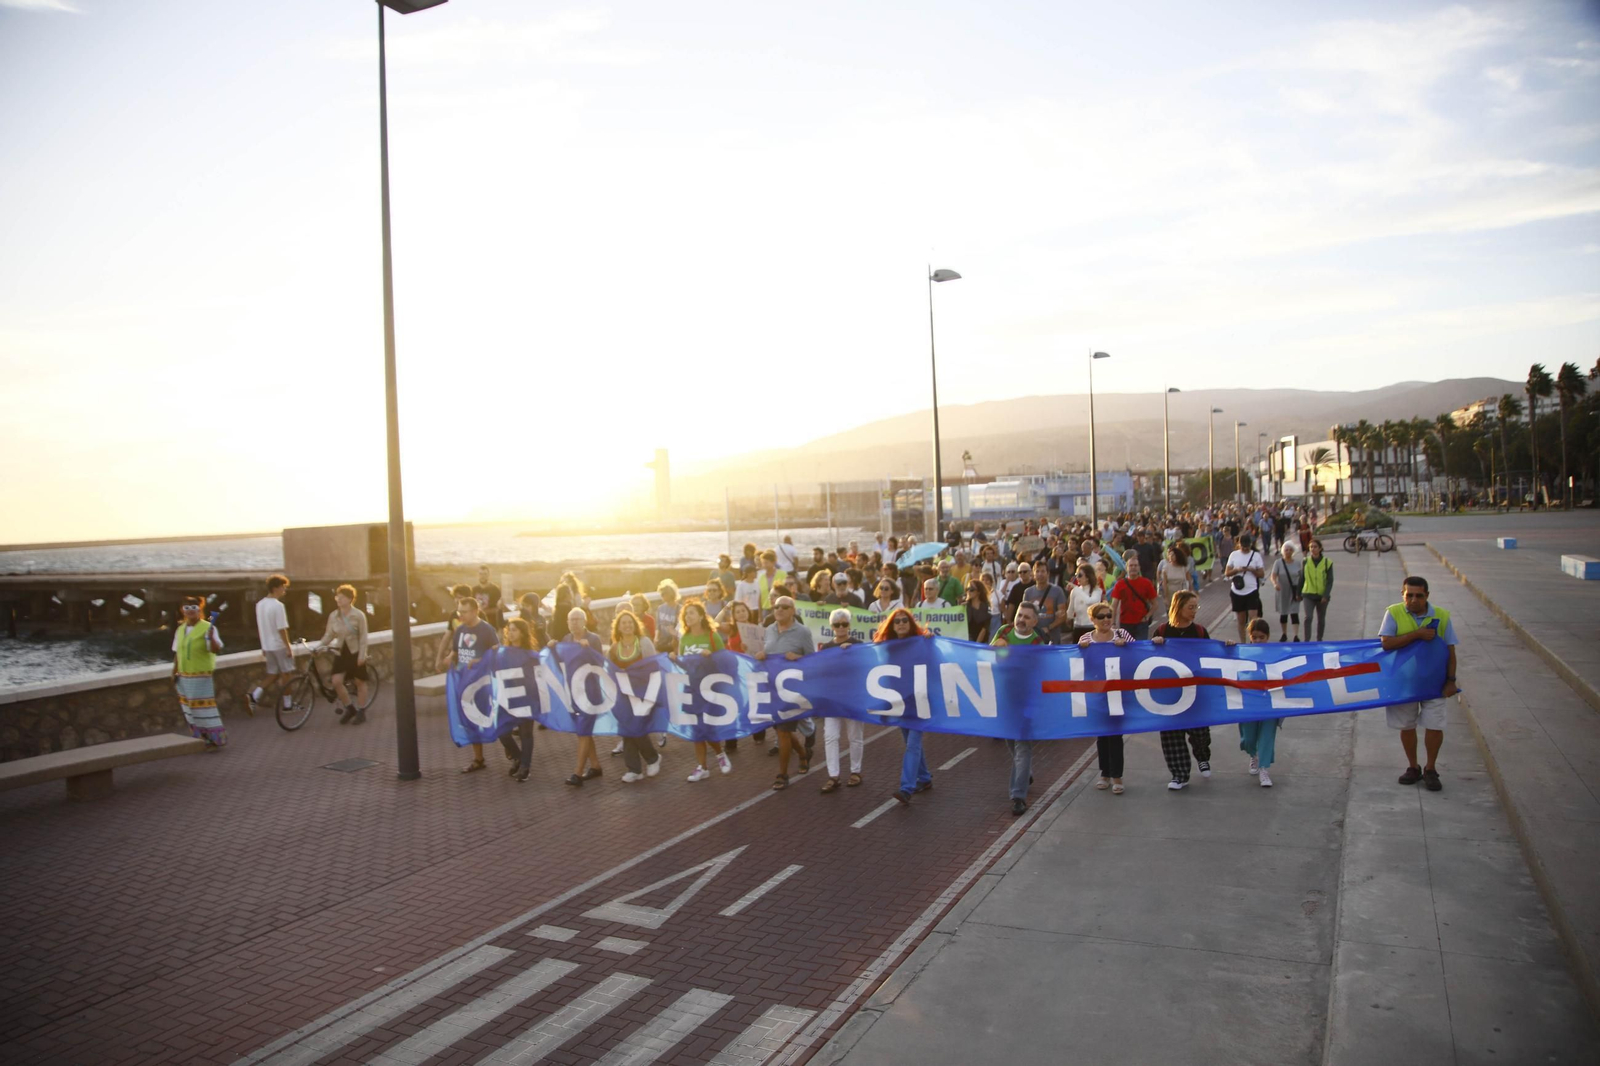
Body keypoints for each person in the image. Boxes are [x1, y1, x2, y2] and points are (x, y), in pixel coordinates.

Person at [1380, 575, 1459, 792]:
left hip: (1435, 684)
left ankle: (1431, 769)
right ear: (1403, 595)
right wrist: (1417, 635)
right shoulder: (1393, 613)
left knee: (1434, 725)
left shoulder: (1442, 616)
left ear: (1427, 596)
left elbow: (1451, 651)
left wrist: (1451, 681)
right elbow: (1386, 644)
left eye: (1419, 596)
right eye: (1409, 595)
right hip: (1404, 683)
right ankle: (1413, 767)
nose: (1413, 600)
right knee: (1407, 726)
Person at [1148, 590, 1214, 790]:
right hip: (1169, 693)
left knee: (1200, 731)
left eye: (1196, 607)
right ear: (1179, 607)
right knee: (1171, 735)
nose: (1194, 611)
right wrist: (1154, 645)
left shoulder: (1200, 631)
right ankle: (1179, 774)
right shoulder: (1162, 631)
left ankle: (1202, 756)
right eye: (1191, 607)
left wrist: (1227, 647)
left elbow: (1211, 655)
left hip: (1195, 689)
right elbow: (1149, 661)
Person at [756, 595, 816, 790]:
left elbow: (813, 660)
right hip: (772, 688)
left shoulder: (803, 632)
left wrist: (798, 657)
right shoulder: (769, 630)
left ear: (793, 611)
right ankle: (803, 754)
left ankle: (782, 774)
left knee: (783, 731)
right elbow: (764, 653)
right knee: (782, 730)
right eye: (776, 607)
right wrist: (761, 656)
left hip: (792, 690)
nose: (779, 610)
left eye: (784, 607)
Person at [992, 601, 1047, 813]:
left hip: (1026, 700)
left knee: (1023, 745)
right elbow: (990, 654)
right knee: (1011, 742)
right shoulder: (1003, 631)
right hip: (1004, 696)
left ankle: (1018, 796)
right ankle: (1026, 773)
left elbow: (1041, 670)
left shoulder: (1037, 643)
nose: (1021, 620)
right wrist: (996, 647)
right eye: (1019, 615)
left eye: (1026, 617)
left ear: (1034, 622)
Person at [1078, 602, 1133, 794]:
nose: (1106, 620)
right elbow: (1080, 666)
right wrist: (1081, 650)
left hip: (1117, 692)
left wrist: (1126, 648)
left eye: (1109, 615)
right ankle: (1104, 773)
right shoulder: (1086, 638)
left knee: (1115, 735)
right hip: (1097, 694)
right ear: (1092, 620)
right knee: (1102, 735)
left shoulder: (1122, 635)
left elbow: (1139, 656)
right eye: (1101, 617)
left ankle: (1117, 776)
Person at [881, 608, 934, 806]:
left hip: (920, 701)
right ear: (892, 626)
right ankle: (925, 778)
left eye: (905, 620)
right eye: (897, 621)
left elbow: (934, 659)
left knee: (912, 744)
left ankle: (906, 788)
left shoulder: (922, 643)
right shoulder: (888, 647)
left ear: (910, 623)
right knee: (910, 743)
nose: (901, 623)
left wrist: (930, 640)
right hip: (900, 702)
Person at [446, 595, 500, 773]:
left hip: (482, 683)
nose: (461, 615)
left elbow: (496, 652)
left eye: (464, 611)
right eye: (459, 611)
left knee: (492, 717)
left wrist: (479, 660)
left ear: (475, 611)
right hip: (464, 681)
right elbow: (456, 651)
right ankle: (478, 758)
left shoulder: (486, 630)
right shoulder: (460, 630)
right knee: (470, 718)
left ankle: (512, 751)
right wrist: (448, 659)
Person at [607, 608, 661, 783]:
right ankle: (634, 769)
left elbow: (653, 666)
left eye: (630, 622)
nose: (627, 625)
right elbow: (609, 669)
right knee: (626, 729)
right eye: (624, 623)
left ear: (635, 625)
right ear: (619, 627)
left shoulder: (644, 642)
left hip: (641, 692)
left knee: (636, 727)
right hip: (623, 694)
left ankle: (653, 758)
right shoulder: (615, 647)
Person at [819, 608, 865, 793]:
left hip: (852, 698)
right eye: (837, 625)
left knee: (855, 736)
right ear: (832, 627)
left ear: (849, 625)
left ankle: (856, 771)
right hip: (833, 699)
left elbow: (865, 666)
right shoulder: (827, 648)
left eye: (844, 624)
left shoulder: (858, 644)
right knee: (830, 736)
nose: (841, 628)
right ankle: (833, 775)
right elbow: (821, 670)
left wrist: (851, 652)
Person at [171, 595, 227, 749]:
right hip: (184, 676)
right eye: (186, 608)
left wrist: (212, 639)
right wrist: (174, 671)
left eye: (194, 608)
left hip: (201, 675)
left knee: (204, 709)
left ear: (200, 609)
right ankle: (200, 738)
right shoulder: (180, 629)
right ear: (182, 610)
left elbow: (216, 649)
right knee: (189, 709)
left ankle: (214, 739)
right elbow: (177, 652)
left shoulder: (209, 628)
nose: (190, 611)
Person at [560, 607, 606, 786]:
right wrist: (552, 648)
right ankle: (595, 766)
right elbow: (561, 660)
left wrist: (588, 650)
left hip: (590, 692)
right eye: (571, 620)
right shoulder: (566, 639)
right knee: (582, 732)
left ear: (584, 621)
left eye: (578, 619)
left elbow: (600, 663)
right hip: (574, 691)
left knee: (584, 731)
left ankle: (577, 773)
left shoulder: (593, 639)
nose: (575, 623)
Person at [314, 584, 371, 725]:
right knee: (336, 681)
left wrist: (362, 656)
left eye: (342, 597)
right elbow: (328, 634)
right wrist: (318, 646)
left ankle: (361, 711)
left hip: (355, 651)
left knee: (359, 681)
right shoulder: (334, 616)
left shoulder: (358, 615)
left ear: (350, 599)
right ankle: (350, 708)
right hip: (341, 651)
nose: (339, 599)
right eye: (337, 597)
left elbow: (363, 637)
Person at [1238, 618, 1281, 787]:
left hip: (1270, 702)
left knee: (1267, 735)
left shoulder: (1276, 654)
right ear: (1249, 637)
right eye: (1254, 637)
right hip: (1248, 701)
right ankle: (1253, 755)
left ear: (1268, 637)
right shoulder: (1242, 653)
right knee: (1248, 737)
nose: (1257, 641)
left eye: (1261, 637)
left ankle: (1264, 769)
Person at [499, 618, 541, 783]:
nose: (511, 632)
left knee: (526, 734)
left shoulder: (531, 655)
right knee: (503, 733)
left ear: (523, 633)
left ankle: (525, 767)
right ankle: (518, 757)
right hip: (509, 698)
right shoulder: (503, 653)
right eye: (509, 629)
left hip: (526, 698)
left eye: (515, 629)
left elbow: (540, 674)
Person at [249, 574, 296, 716]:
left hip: (267, 646)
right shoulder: (278, 606)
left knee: (272, 674)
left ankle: (254, 696)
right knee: (286, 674)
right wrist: (288, 647)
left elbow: (261, 626)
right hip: (278, 646)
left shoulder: (260, 604)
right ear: (275, 588)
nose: (284, 591)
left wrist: (263, 646)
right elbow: (282, 629)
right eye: (283, 587)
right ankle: (288, 705)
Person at [1224, 533, 1266, 642]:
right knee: (1241, 620)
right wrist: (1237, 569)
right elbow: (1227, 573)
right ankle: (1243, 642)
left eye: (1247, 546)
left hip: (1251, 590)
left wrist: (1252, 570)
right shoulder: (1234, 555)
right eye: (1243, 546)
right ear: (1239, 544)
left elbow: (1261, 574)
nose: (1245, 548)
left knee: (1254, 619)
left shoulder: (1256, 555)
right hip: (1237, 591)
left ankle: (1253, 641)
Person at [1108, 556, 1158, 640]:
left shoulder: (1146, 583)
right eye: (1131, 566)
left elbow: (1155, 604)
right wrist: (1112, 623)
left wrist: (1147, 616)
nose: (1133, 567)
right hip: (1125, 622)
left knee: (1140, 647)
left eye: (1136, 565)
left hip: (1141, 623)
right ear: (1126, 568)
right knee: (1126, 648)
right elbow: (1114, 606)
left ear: (1139, 568)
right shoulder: (1120, 584)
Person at [1023, 561, 1069, 643]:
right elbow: (1024, 614)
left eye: (1043, 571)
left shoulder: (1057, 591)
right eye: (1037, 571)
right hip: (1033, 637)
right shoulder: (1028, 592)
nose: (1040, 574)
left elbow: (1062, 616)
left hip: (1052, 637)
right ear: (1033, 574)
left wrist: (1048, 627)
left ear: (1048, 574)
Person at [1269, 543, 1304, 641]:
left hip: (1294, 590)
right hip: (1282, 590)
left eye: (1290, 550)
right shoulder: (1278, 563)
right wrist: (1275, 584)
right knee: (1283, 613)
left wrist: (1300, 592)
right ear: (1283, 551)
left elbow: (1302, 578)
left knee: (1294, 612)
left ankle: (1296, 635)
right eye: (1286, 550)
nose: (1288, 552)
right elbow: (1273, 576)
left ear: (1293, 551)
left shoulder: (1297, 563)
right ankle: (1284, 633)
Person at [1300, 539, 1334, 641]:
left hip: (1322, 595)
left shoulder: (1327, 562)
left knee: (1321, 619)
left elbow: (1330, 580)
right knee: (1308, 617)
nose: (1313, 549)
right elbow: (1302, 578)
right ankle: (1307, 641)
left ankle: (1319, 639)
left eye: (1315, 547)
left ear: (1320, 548)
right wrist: (1298, 593)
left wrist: (1325, 595)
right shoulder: (1305, 561)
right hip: (1308, 594)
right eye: (1311, 547)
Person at [1064, 565, 1103, 644]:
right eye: (1076, 575)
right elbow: (1070, 609)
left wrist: (1077, 589)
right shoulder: (1075, 591)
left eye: (1080, 575)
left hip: (1092, 627)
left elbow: (1090, 601)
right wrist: (1068, 617)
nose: (1077, 578)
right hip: (1078, 626)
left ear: (1088, 577)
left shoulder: (1097, 591)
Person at [655, 579, 682, 655]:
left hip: (674, 642)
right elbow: (658, 626)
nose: (662, 596)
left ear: (670, 594)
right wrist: (656, 637)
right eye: (661, 594)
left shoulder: (680, 609)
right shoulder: (660, 608)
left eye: (664, 594)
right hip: (662, 641)